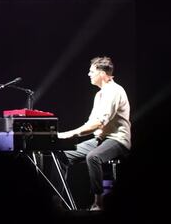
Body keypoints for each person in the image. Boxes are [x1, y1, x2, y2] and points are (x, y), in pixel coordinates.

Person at [56, 56, 131, 210]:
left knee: (93, 157)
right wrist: (69, 134)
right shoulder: (99, 95)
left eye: (91, 71)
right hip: (102, 139)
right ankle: (57, 201)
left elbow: (99, 123)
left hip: (118, 140)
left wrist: (70, 134)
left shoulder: (114, 91)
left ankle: (98, 203)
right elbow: (91, 123)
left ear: (102, 73)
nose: (89, 74)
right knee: (62, 156)